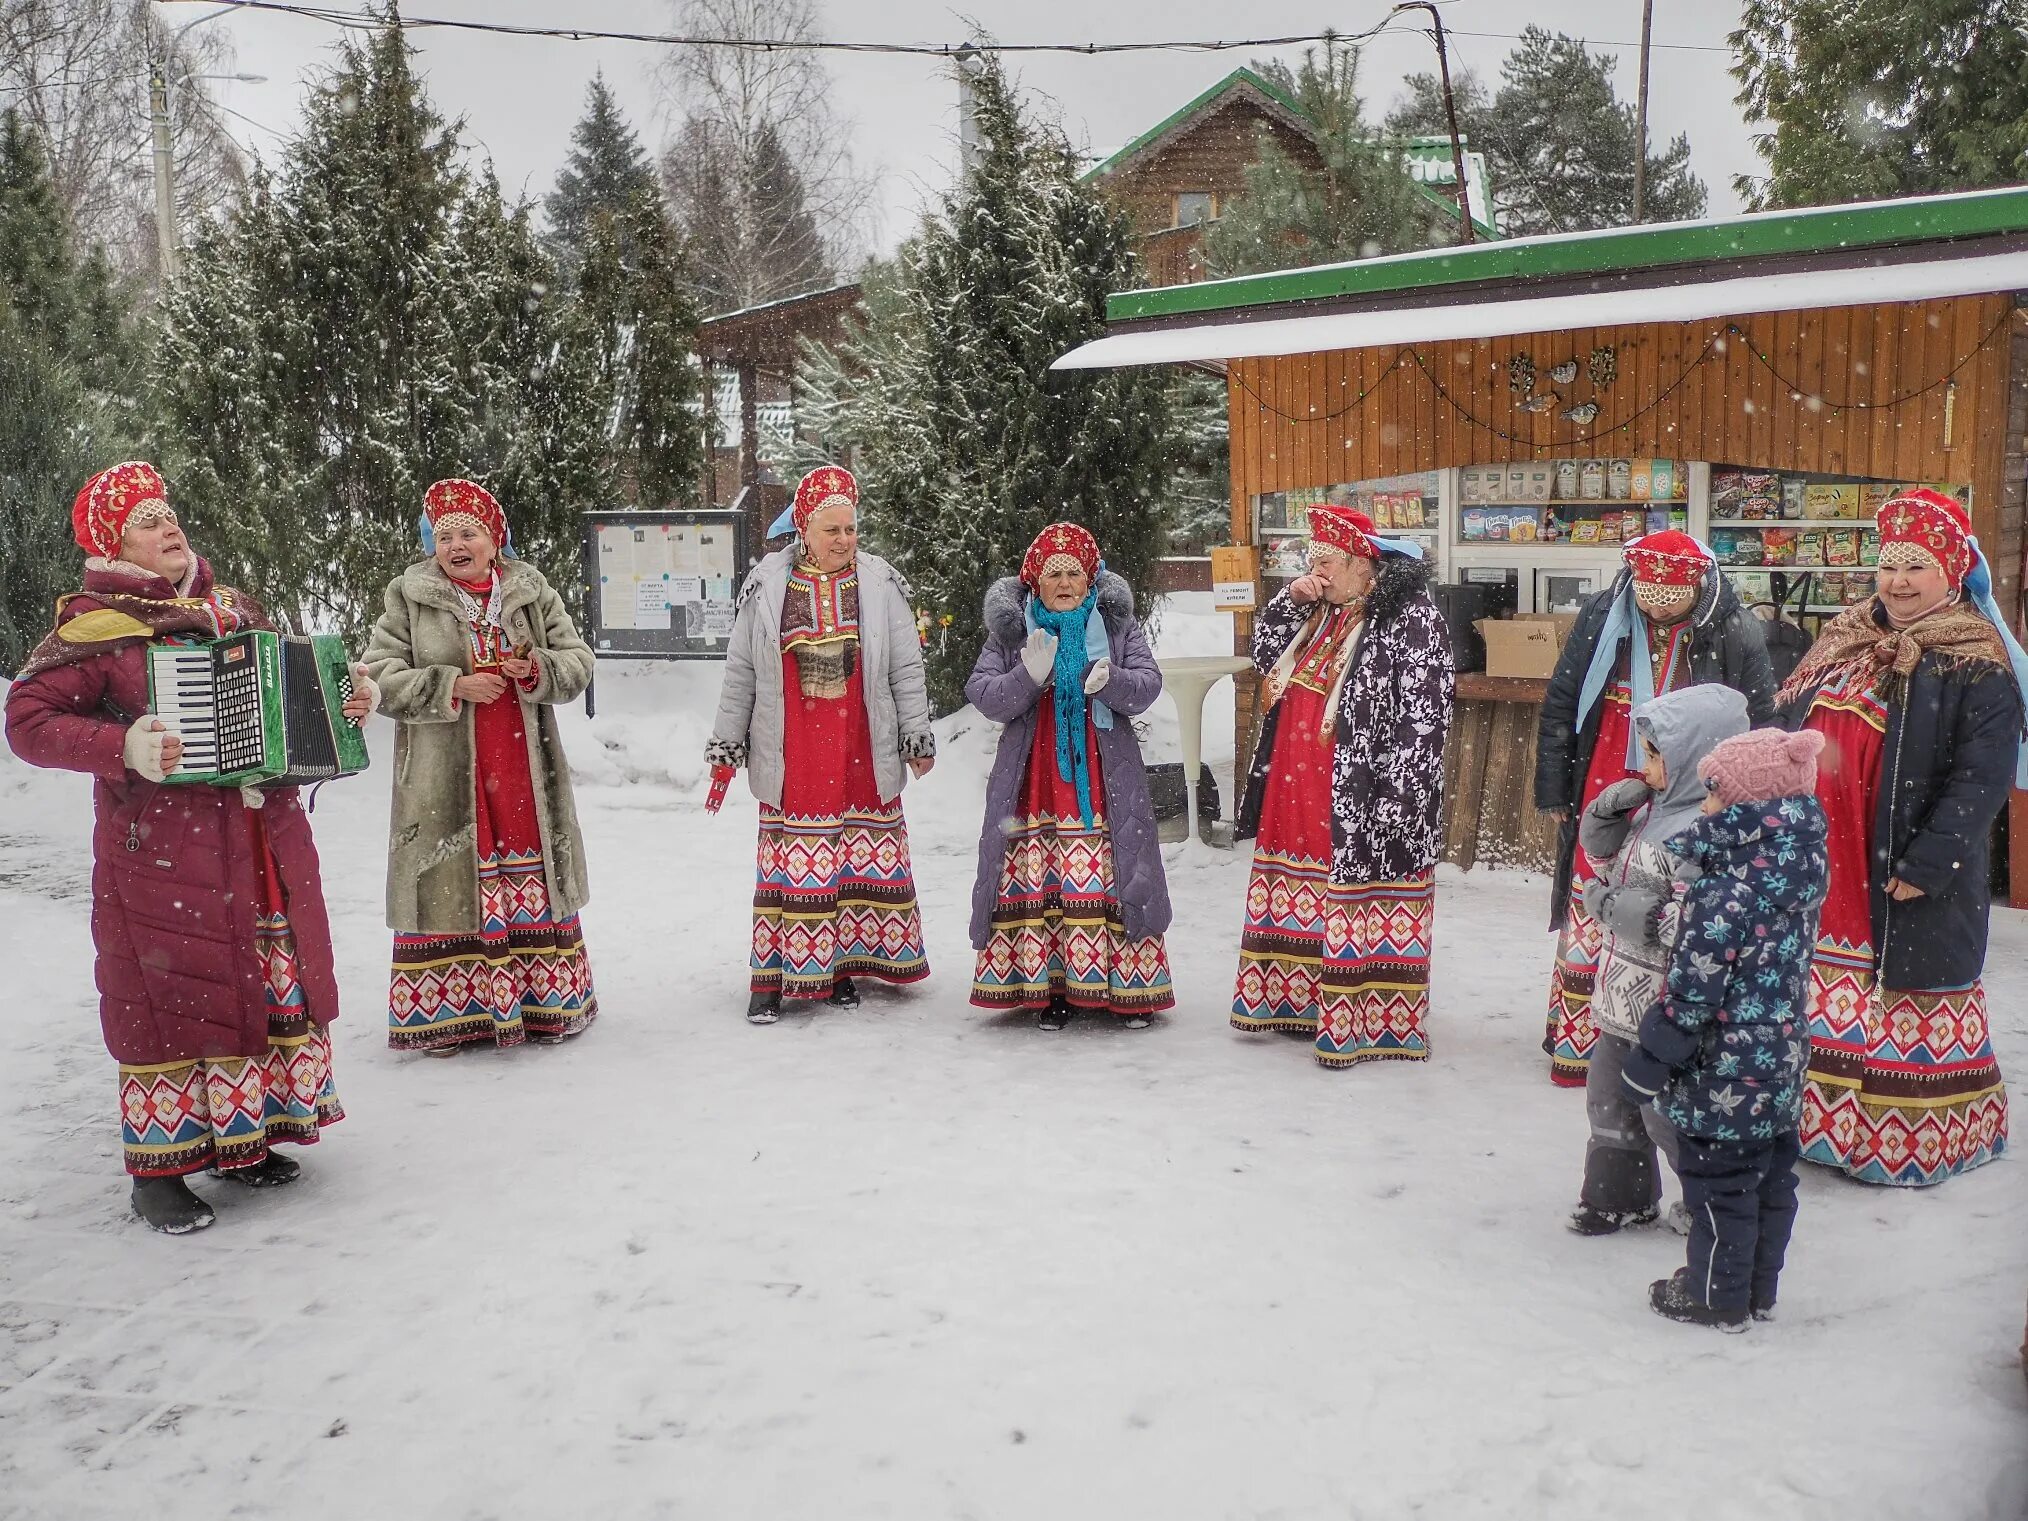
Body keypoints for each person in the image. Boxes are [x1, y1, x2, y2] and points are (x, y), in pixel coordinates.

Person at [5, 463, 371, 1233]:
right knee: (168, 998)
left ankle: (247, 1138)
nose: (168, 526)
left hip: (255, 841)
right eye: (145, 520)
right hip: (164, 852)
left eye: (169, 513)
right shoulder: (94, 628)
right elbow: (28, 721)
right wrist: (123, 744)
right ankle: (158, 1169)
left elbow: (293, 695)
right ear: (113, 543)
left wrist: (345, 701)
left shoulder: (231, 609)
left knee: (258, 981)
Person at [1777, 487, 2024, 1186]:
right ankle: (1814, 1127)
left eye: (1917, 567)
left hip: (1899, 871)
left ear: (1949, 571)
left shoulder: (1976, 659)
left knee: (1899, 999)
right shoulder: (1844, 635)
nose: (1899, 582)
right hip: (1823, 860)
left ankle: (1903, 1144)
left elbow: (1980, 780)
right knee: (1821, 993)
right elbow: (1783, 724)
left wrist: (1930, 861)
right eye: (1890, 566)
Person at [363, 478, 598, 1055]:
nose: (456, 545)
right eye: (444, 536)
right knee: (449, 878)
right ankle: (449, 1017)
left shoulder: (531, 592)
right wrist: (452, 683)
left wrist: (537, 669)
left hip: (522, 766)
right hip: (442, 773)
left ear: (495, 540)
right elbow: (377, 676)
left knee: (529, 873)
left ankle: (545, 1005)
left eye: (468, 533)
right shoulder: (408, 596)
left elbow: (578, 660)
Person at [1535, 531, 1775, 1087]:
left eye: (1671, 596)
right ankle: (1581, 1042)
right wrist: (1553, 788)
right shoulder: (1604, 616)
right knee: (1594, 886)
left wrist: (1744, 801)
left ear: (1697, 585)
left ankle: (1657, 1042)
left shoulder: (1732, 628)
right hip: (1606, 763)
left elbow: (1761, 718)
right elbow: (1563, 701)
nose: (1657, 605)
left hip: (1689, 782)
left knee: (1668, 900)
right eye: (1648, 593)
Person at [706, 465, 936, 1024]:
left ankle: (839, 967)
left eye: (850, 529)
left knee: (851, 857)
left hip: (860, 739)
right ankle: (774, 976)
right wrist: (725, 747)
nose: (842, 540)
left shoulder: (880, 584)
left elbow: (905, 667)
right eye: (830, 530)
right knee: (798, 860)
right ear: (802, 529)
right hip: (794, 746)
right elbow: (741, 673)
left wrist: (915, 733)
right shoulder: (766, 586)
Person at [1230, 502, 1454, 1068]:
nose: (1319, 571)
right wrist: (1291, 600)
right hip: (1296, 779)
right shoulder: (1319, 608)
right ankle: (1295, 1001)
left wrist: (1402, 793)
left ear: (1364, 562)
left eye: (1328, 561)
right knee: (1302, 880)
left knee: (1355, 884)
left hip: (1362, 784)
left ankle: (1363, 1016)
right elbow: (1264, 656)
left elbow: (1423, 715)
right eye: (1314, 561)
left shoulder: (1410, 617)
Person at [1623, 727, 1830, 1329]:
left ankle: (1715, 1294)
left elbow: (1693, 992)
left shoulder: (1725, 889)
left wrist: (1653, 1058)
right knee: (1769, 1180)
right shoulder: (1797, 869)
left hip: (1725, 1066)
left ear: (1746, 807)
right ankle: (1756, 1289)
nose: (1705, 806)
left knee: (1719, 1183)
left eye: (1714, 795)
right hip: (1781, 1057)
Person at [964, 522, 1173, 1030]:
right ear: (1034, 580)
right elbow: (983, 693)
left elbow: (1147, 686)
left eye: (1073, 572)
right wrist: (1027, 677)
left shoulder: (1118, 627)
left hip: (1105, 776)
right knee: (1043, 872)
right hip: (1032, 777)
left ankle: (1129, 991)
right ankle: (1051, 988)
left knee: (1111, 871)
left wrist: (1112, 682)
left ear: (1091, 579)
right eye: (1052, 572)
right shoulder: (1012, 631)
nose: (1063, 582)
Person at [1568, 684, 1749, 1235]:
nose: (1644, 766)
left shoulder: (1711, 828)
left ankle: (1710, 1206)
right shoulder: (1651, 810)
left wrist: (1621, 910)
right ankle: (1618, 1195)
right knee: (1608, 1099)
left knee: (1664, 1112)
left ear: (1699, 755)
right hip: (1622, 995)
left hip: (1670, 1008)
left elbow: (1696, 921)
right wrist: (1604, 816)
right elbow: (1605, 862)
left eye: (1656, 754)